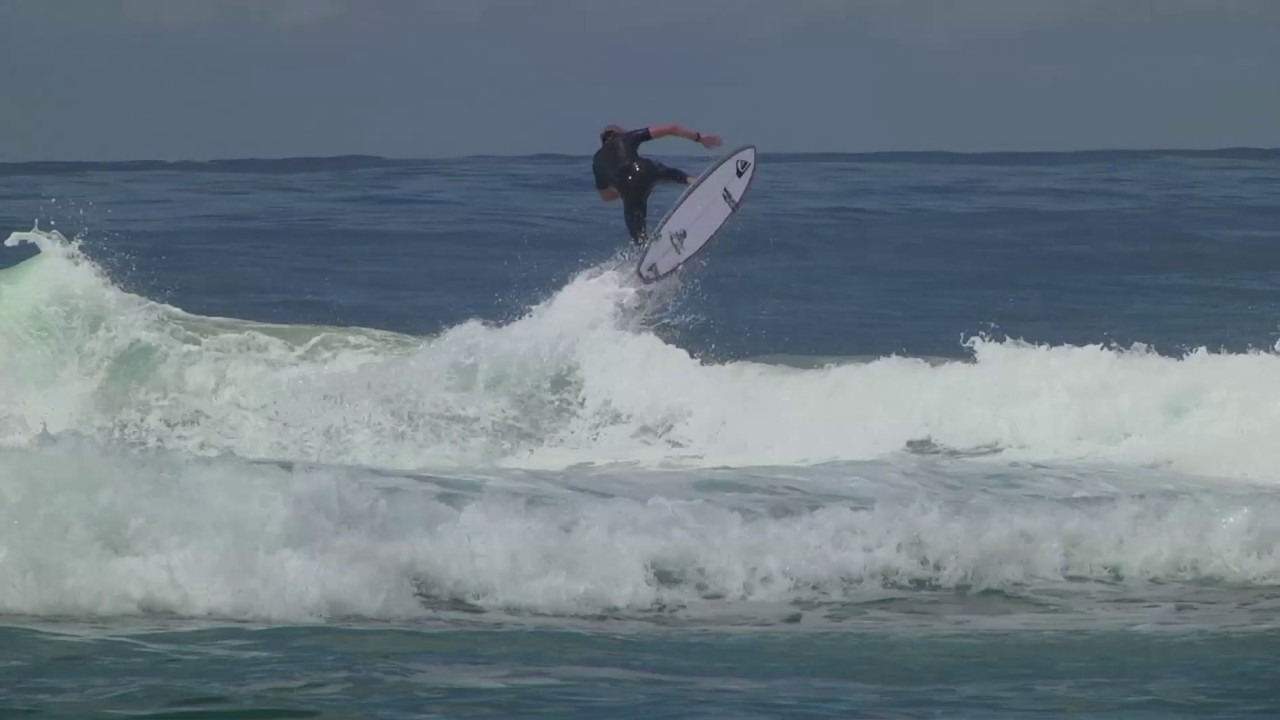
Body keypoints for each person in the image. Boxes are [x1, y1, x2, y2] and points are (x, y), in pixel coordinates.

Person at [592, 123, 722, 245]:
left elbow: (606, 197)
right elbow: (672, 128)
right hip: (645, 169)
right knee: (667, 172)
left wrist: (627, 189)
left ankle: (646, 253)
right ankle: (694, 182)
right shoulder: (627, 137)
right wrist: (699, 138)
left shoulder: (597, 161)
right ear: (619, 133)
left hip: (627, 188)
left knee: (637, 231)